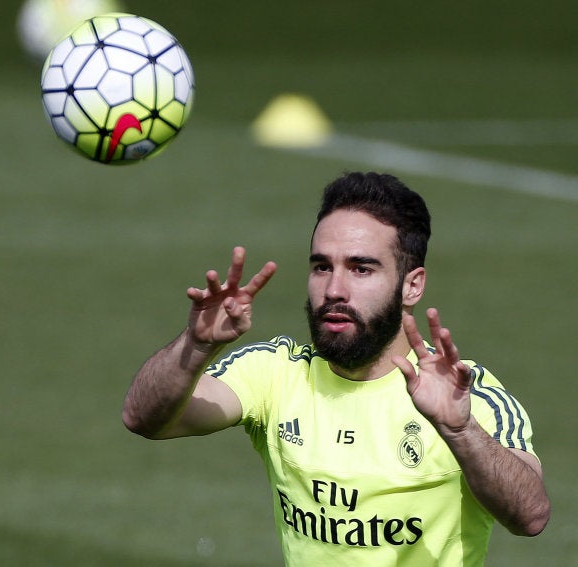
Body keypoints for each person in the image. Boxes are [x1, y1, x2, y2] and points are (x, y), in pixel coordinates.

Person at [122, 171, 550, 565]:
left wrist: (460, 431)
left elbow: (530, 515)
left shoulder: (462, 393)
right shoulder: (275, 373)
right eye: (321, 266)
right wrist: (196, 345)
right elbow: (144, 419)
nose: (334, 289)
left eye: (362, 269)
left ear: (412, 285)